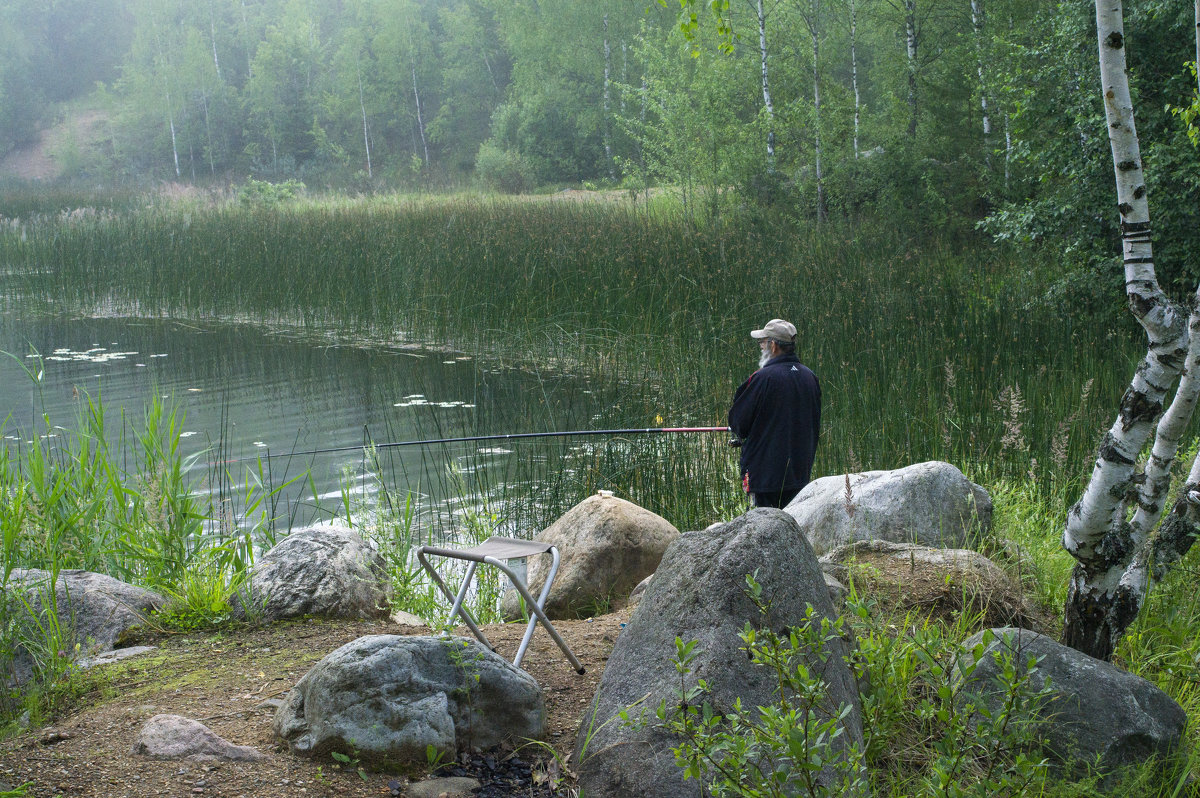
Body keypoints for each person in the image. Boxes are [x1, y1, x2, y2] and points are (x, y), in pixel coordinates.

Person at [728, 318, 821, 509]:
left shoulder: (762, 378)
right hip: (800, 475)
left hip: (765, 479)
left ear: (773, 345)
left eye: (762, 342)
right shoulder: (810, 377)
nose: (761, 347)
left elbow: (738, 423)